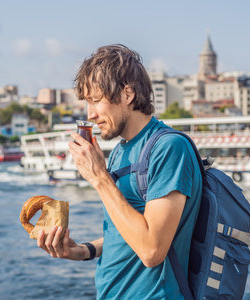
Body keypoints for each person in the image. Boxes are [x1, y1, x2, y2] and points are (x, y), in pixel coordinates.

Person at [36, 44, 202, 299]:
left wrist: (99, 177)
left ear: (127, 94)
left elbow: (151, 250)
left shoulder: (169, 148)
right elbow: (126, 232)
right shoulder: (121, 151)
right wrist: (83, 251)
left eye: (95, 100)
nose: (90, 114)